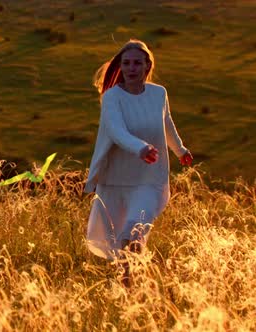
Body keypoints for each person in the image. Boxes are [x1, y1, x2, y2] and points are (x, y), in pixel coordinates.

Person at [84, 39, 193, 285]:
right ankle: (128, 282)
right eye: (126, 63)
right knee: (118, 240)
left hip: (149, 178)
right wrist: (140, 148)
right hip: (116, 179)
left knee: (135, 230)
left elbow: (166, 124)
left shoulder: (159, 93)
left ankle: (129, 282)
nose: (131, 68)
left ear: (147, 66)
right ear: (121, 67)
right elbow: (116, 130)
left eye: (137, 63)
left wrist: (180, 150)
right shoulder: (112, 98)